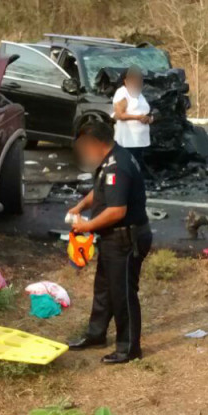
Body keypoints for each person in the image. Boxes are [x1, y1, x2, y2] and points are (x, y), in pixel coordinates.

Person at [66, 121, 152, 364]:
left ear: (94, 143)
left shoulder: (118, 167)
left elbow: (116, 210)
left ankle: (128, 347)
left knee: (123, 293)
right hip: (112, 239)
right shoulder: (110, 160)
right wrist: (82, 205)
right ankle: (96, 334)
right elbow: (102, 190)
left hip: (125, 238)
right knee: (103, 289)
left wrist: (86, 226)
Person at [112, 65, 153, 173]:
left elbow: (146, 111)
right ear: (126, 80)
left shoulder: (139, 94)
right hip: (128, 140)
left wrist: (149, 118)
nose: (137, 82)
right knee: (128, 165)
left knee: (137, 164)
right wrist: (138, 118)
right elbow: (119, 115)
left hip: (140, 140)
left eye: (139, 79)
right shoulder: (122, 93)